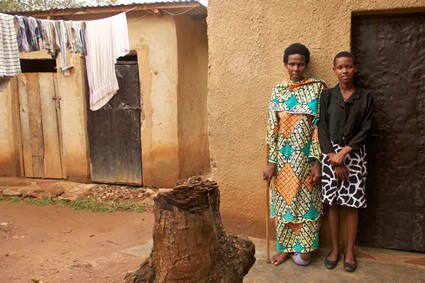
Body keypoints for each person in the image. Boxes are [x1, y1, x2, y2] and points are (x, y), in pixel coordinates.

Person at [263, 43, 326, 266]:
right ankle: (285, 248)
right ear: (285, 65)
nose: (296, 68)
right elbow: (273, 127)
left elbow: (320, 126)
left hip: (307, 159)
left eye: (300, 64)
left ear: (306, 65)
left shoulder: (317, 88)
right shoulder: (278, 90)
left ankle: (304, 247)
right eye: (292, 64)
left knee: (306, 203)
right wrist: (271, 162)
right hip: (283, 159)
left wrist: (317, 161)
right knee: (284, 203)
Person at [319, 51, 373, 272]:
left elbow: (367, 129)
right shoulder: (327, 96)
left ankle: (350, 250)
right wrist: (334, 156)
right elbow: (321, 127)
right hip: (330, 155)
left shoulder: (366, 97)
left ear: (355, 68)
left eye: (348, 67)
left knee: (352, 204)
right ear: (334, 70)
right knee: (332, 203)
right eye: (340, 67)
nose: (344, 71)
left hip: (355, 156)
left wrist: (346, 153)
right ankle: (334, 249)